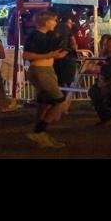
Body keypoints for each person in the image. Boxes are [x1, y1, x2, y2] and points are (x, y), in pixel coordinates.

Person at [22, 10, 71, 148]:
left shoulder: (45, 35)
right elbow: (26, 56)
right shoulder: (36, 35)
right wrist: (50, 54)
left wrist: (56, 55)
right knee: (60, 101)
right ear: (46, 22)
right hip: (41, 71)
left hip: (45, 70)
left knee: (45, 101)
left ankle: (38, 134)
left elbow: (47, 52)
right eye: (54, 20)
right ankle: (39, 132)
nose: (56, 23)